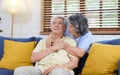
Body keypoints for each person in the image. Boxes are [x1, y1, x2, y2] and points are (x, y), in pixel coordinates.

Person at [13, 16, 79, 75]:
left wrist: (57, 67)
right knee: (19, 71)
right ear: (51, 27)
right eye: (54, 23)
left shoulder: (71, 42)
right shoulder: (43, 41)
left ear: (64, 28)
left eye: (60, 23)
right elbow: (33, 58)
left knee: (58, 73)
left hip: (60, 69)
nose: (56, 25)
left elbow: (74, 63)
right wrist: (53, 48)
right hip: (41, 69)